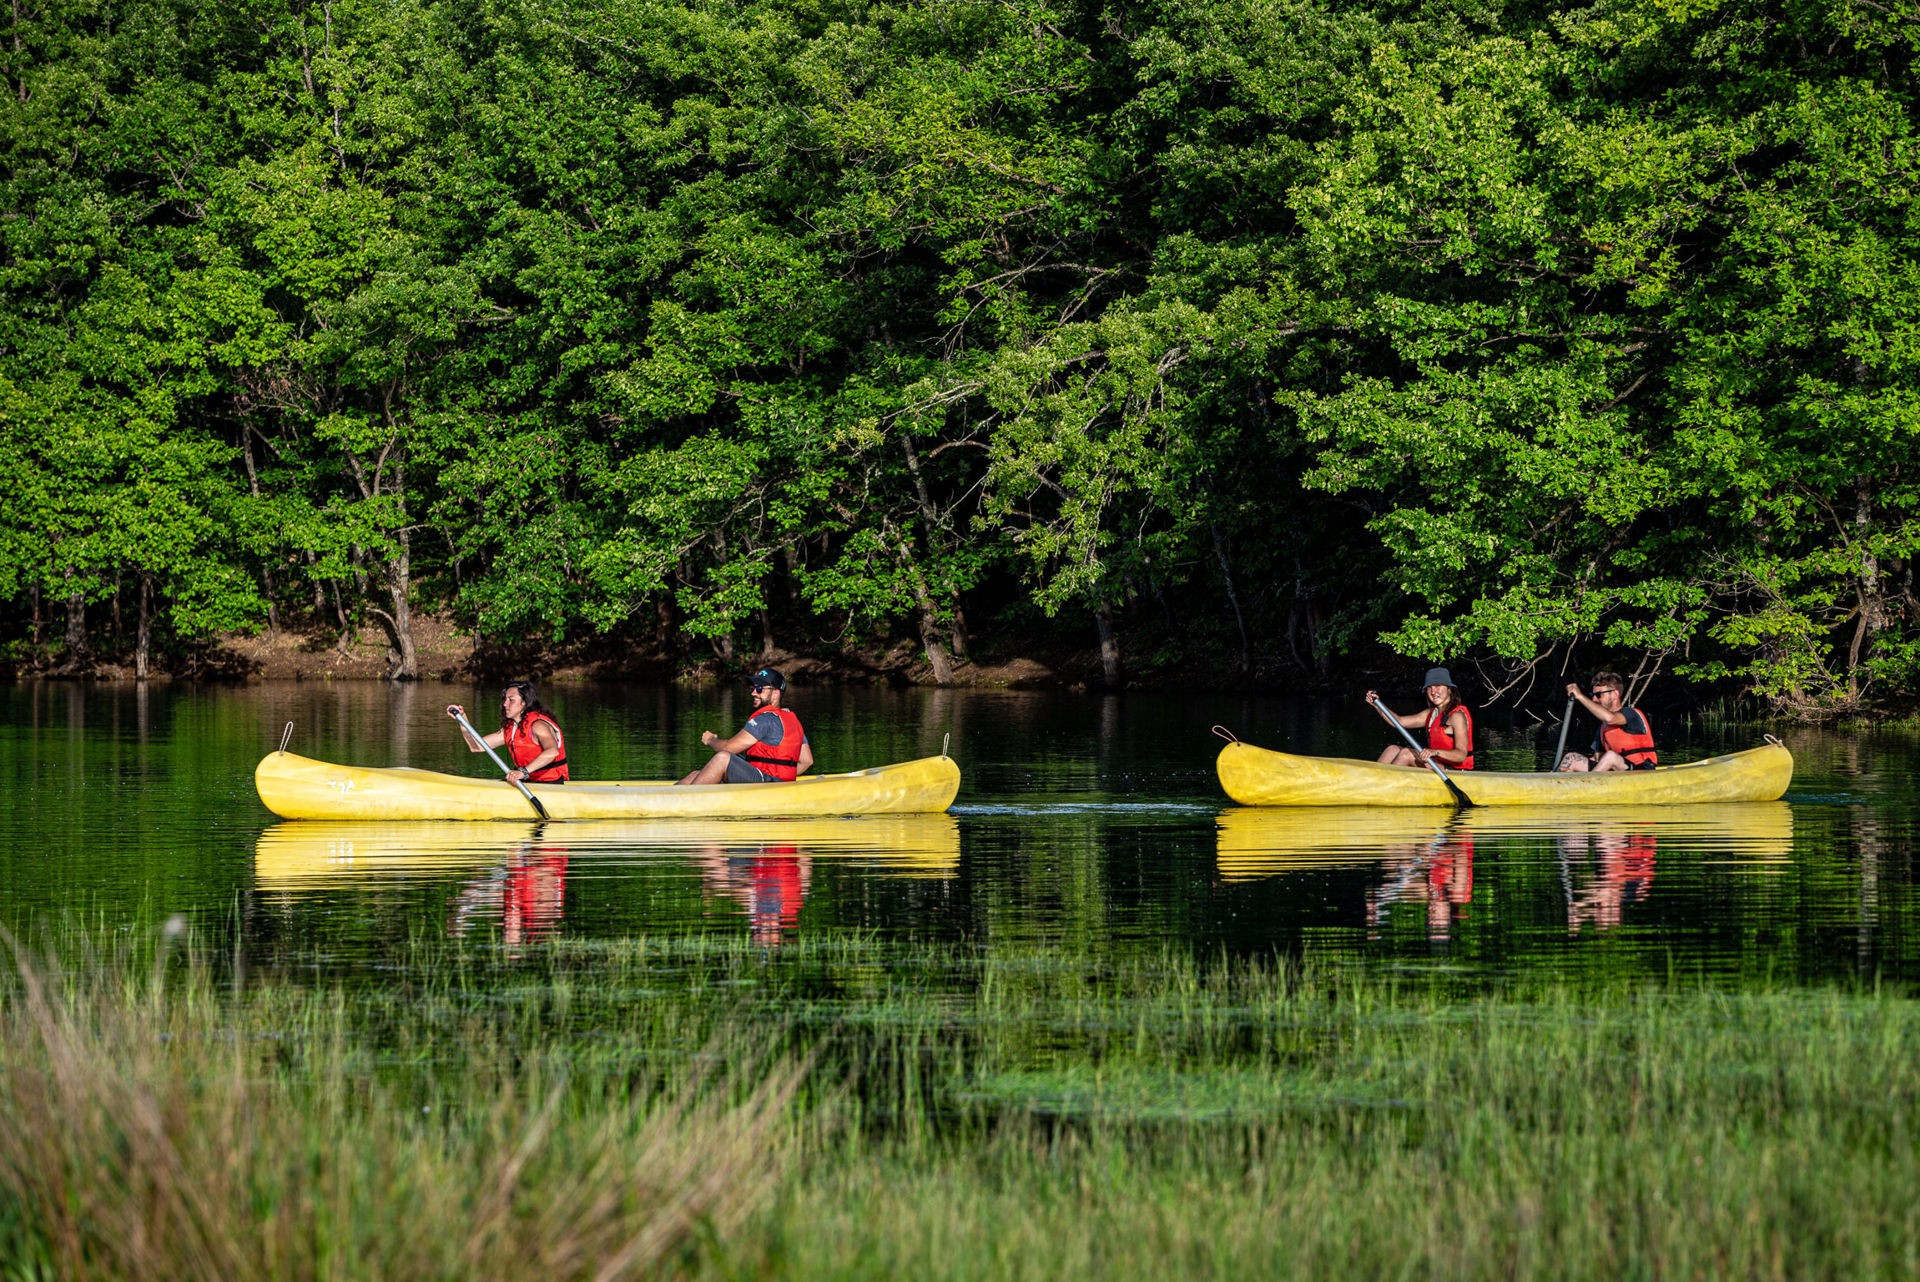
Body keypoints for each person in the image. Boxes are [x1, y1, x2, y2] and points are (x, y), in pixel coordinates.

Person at [676, 667, 814, 785]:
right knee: (697, 774)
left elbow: (729, 748)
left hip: (766, 785)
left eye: (759, 688)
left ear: (776, 693)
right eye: (753, 688)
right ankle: (666, 796)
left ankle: (680, 802)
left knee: (723, 757)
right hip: (774, 783)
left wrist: (711, 740)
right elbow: (807, 761)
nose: (753, 692)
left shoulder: (764, 719)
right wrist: (783, 780)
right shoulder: (792, 720)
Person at [447, 681, 569, 784]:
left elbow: (552, 752)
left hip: (550, 783)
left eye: (511, 700)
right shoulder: (511, 729)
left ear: (524, 702)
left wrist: (523, 772)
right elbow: (476, 746)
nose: (505, 704)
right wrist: (462, 720)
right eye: (505, 699)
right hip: (527, 781)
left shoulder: (538, 725)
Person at [1366, 667, 1474, 770]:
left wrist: (1434, 752)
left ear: (1449, 689)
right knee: (1392, 749)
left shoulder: (1457, 716)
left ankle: (1383, 784)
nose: (1433, 691)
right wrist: (1377, 705)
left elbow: (1461, 755)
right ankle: (1372, 780)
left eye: (1437, 686)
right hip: (1437, 764)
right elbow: (1398, 722)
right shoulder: (1430, 714)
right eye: (1429, 687)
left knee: (1406, 754)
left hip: (1455, 771)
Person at [1557, 671, 1658, 772]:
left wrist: (1580, 696)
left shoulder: (1631, 714)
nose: (1594, 699)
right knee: (1571, 758)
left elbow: (1610, 718)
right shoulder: (1603, 727)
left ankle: (1589, 785)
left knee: (1610, 757)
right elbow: (1597, 758)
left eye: (1598, 695)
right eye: (1593, 695)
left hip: (1641, 769)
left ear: (1615, 694)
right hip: (1615, 772)